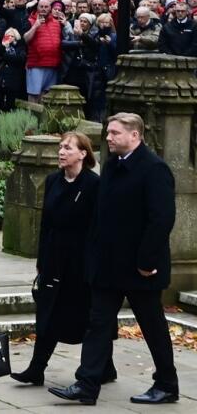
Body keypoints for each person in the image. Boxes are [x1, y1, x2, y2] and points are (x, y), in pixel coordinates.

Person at [49, 113, 179, 406]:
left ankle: (168, 384)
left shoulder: (154, 169)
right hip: (108, 265)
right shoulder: (110, 165)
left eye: (115, 133)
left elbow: (161, 219)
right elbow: (101, 214)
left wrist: (146, 261)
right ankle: (87, 383)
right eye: (108, 132)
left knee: (152, 325)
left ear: (135, 135)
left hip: (141, 268)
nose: (108, 138)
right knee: (98, 323)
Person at [11, 132, 117, 386]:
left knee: (88, 316)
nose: (61, 152)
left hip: (81, 261)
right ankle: (36, 368)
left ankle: (105, 368)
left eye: (68, 148)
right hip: (54, 258)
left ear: (83, 154)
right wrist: (41, 257)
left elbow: (100, 227)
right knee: (48, 314)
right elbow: (45, 222)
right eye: (60, 147)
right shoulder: (52, 181)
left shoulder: (93, 185)